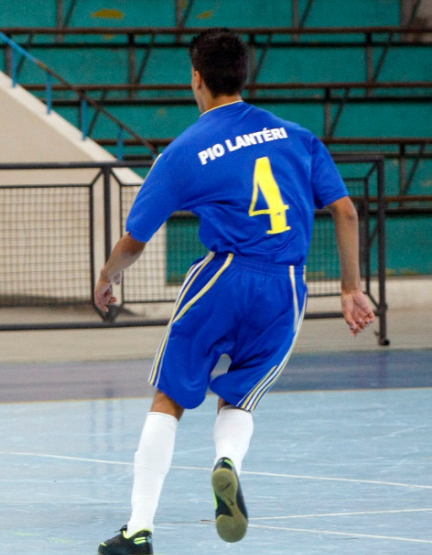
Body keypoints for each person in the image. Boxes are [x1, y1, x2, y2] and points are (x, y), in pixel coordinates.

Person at [93, 28, 376, 554]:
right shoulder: (297, 136)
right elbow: (345, 210)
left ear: (196, 79)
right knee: (241, 398)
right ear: (244, 75)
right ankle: (228, 464)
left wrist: (109, 278)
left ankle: (138, 530)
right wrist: (351, 289)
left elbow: (135, 239)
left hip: (224, 277)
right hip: (287, 287)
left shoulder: (184, 151)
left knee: (170, 398)